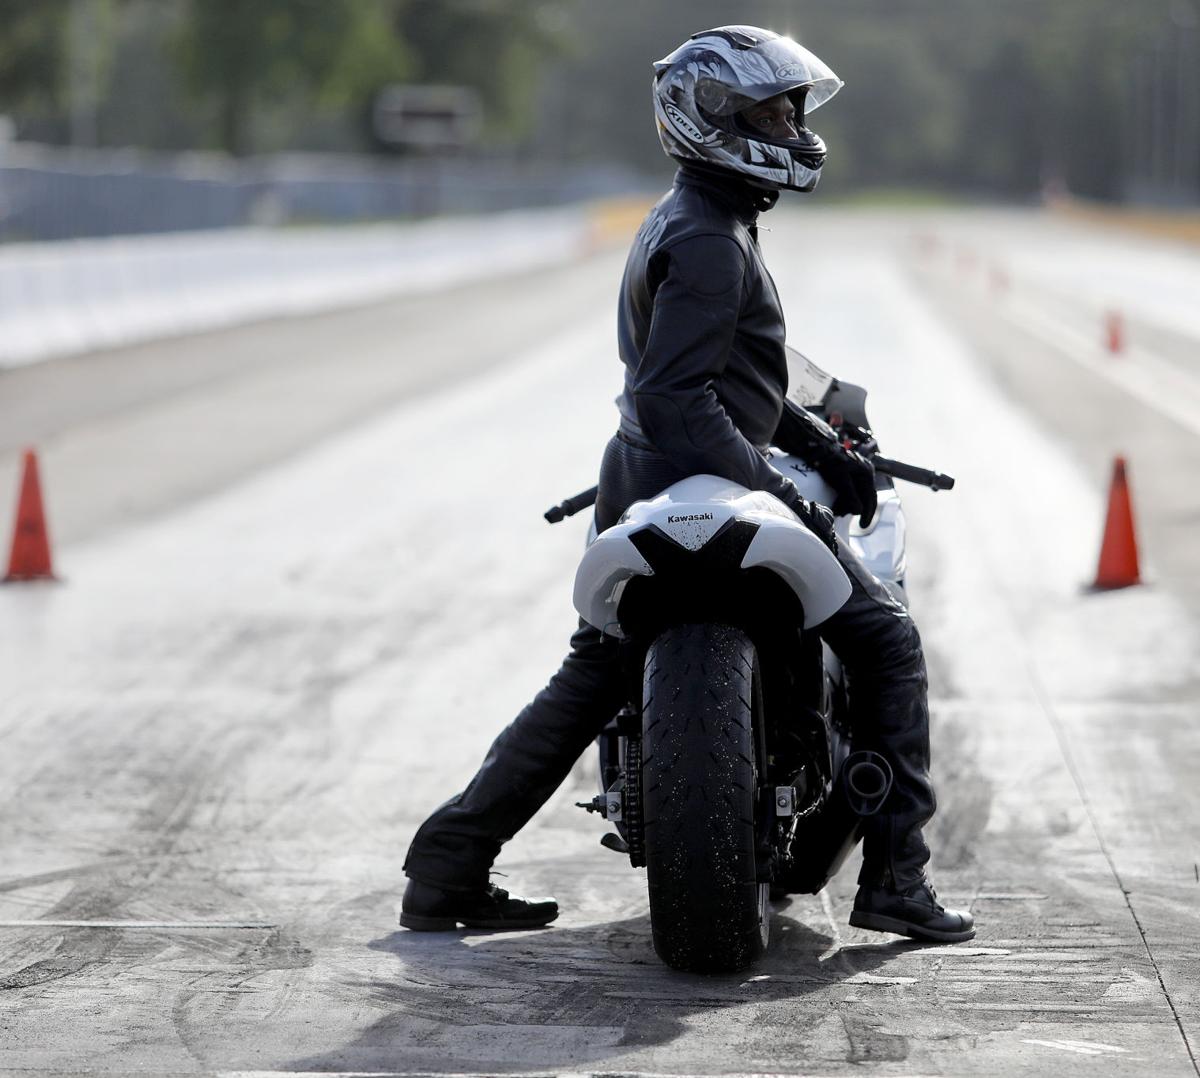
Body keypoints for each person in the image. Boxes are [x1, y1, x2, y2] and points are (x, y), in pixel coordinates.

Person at [400, 25, 974, 944]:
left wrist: (823, 448)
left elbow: (732, 381)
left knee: (592, 677)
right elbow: (678, 397)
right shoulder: (713, 241)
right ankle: (897, 878)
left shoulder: (693, 217)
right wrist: (785, 493)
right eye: (772, 110)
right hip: (693, 469)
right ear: (712, 119)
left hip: (641, 476)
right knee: (889, 640)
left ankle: (448, 863)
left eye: (792, 109)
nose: (791, 127)